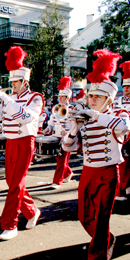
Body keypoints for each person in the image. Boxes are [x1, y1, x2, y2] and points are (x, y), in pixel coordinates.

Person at [62, 49, 129, 260]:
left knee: (101, 218)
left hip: (108, 172)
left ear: (108, 99)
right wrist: (74, 129)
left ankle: (98, 254)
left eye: (96, 97)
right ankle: (108, 239)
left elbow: (124, 127)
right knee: (84, 217)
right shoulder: (86, 117)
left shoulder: (119, 113)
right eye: (90, 96)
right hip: (88, 171)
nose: (91, 100)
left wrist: (94, 115)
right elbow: (66, 148)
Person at [0, 46, 43, 240]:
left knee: (16, 185)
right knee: (12, 182)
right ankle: (31, 211)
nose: (12, 85)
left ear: (25, 82)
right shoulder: (10, 97)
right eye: (11, 82)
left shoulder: (35, 97)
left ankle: (10, 225)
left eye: (15, 82)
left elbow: (27, 117)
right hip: (10, 142)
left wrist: (6, 100)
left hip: (25, 142)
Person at [43, 77, 74, 189]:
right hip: (55, 136)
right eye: (60, 96)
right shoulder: (55, 108)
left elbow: (75, 126)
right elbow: (51, 122)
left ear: (68, 98)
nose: (60, 98)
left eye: (63, 97)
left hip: (67, 138)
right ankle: (68, 172)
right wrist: (48, 128)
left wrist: (67, 132)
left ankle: (57, 181)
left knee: (61, 159)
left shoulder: (72, 109)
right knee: (58, 158)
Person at [113, 60, 130, 201]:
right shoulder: (117, 101)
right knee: (121, 163)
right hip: (120, 136)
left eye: (129, 86)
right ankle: (121, 190)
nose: (126, 89)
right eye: (125, 87)